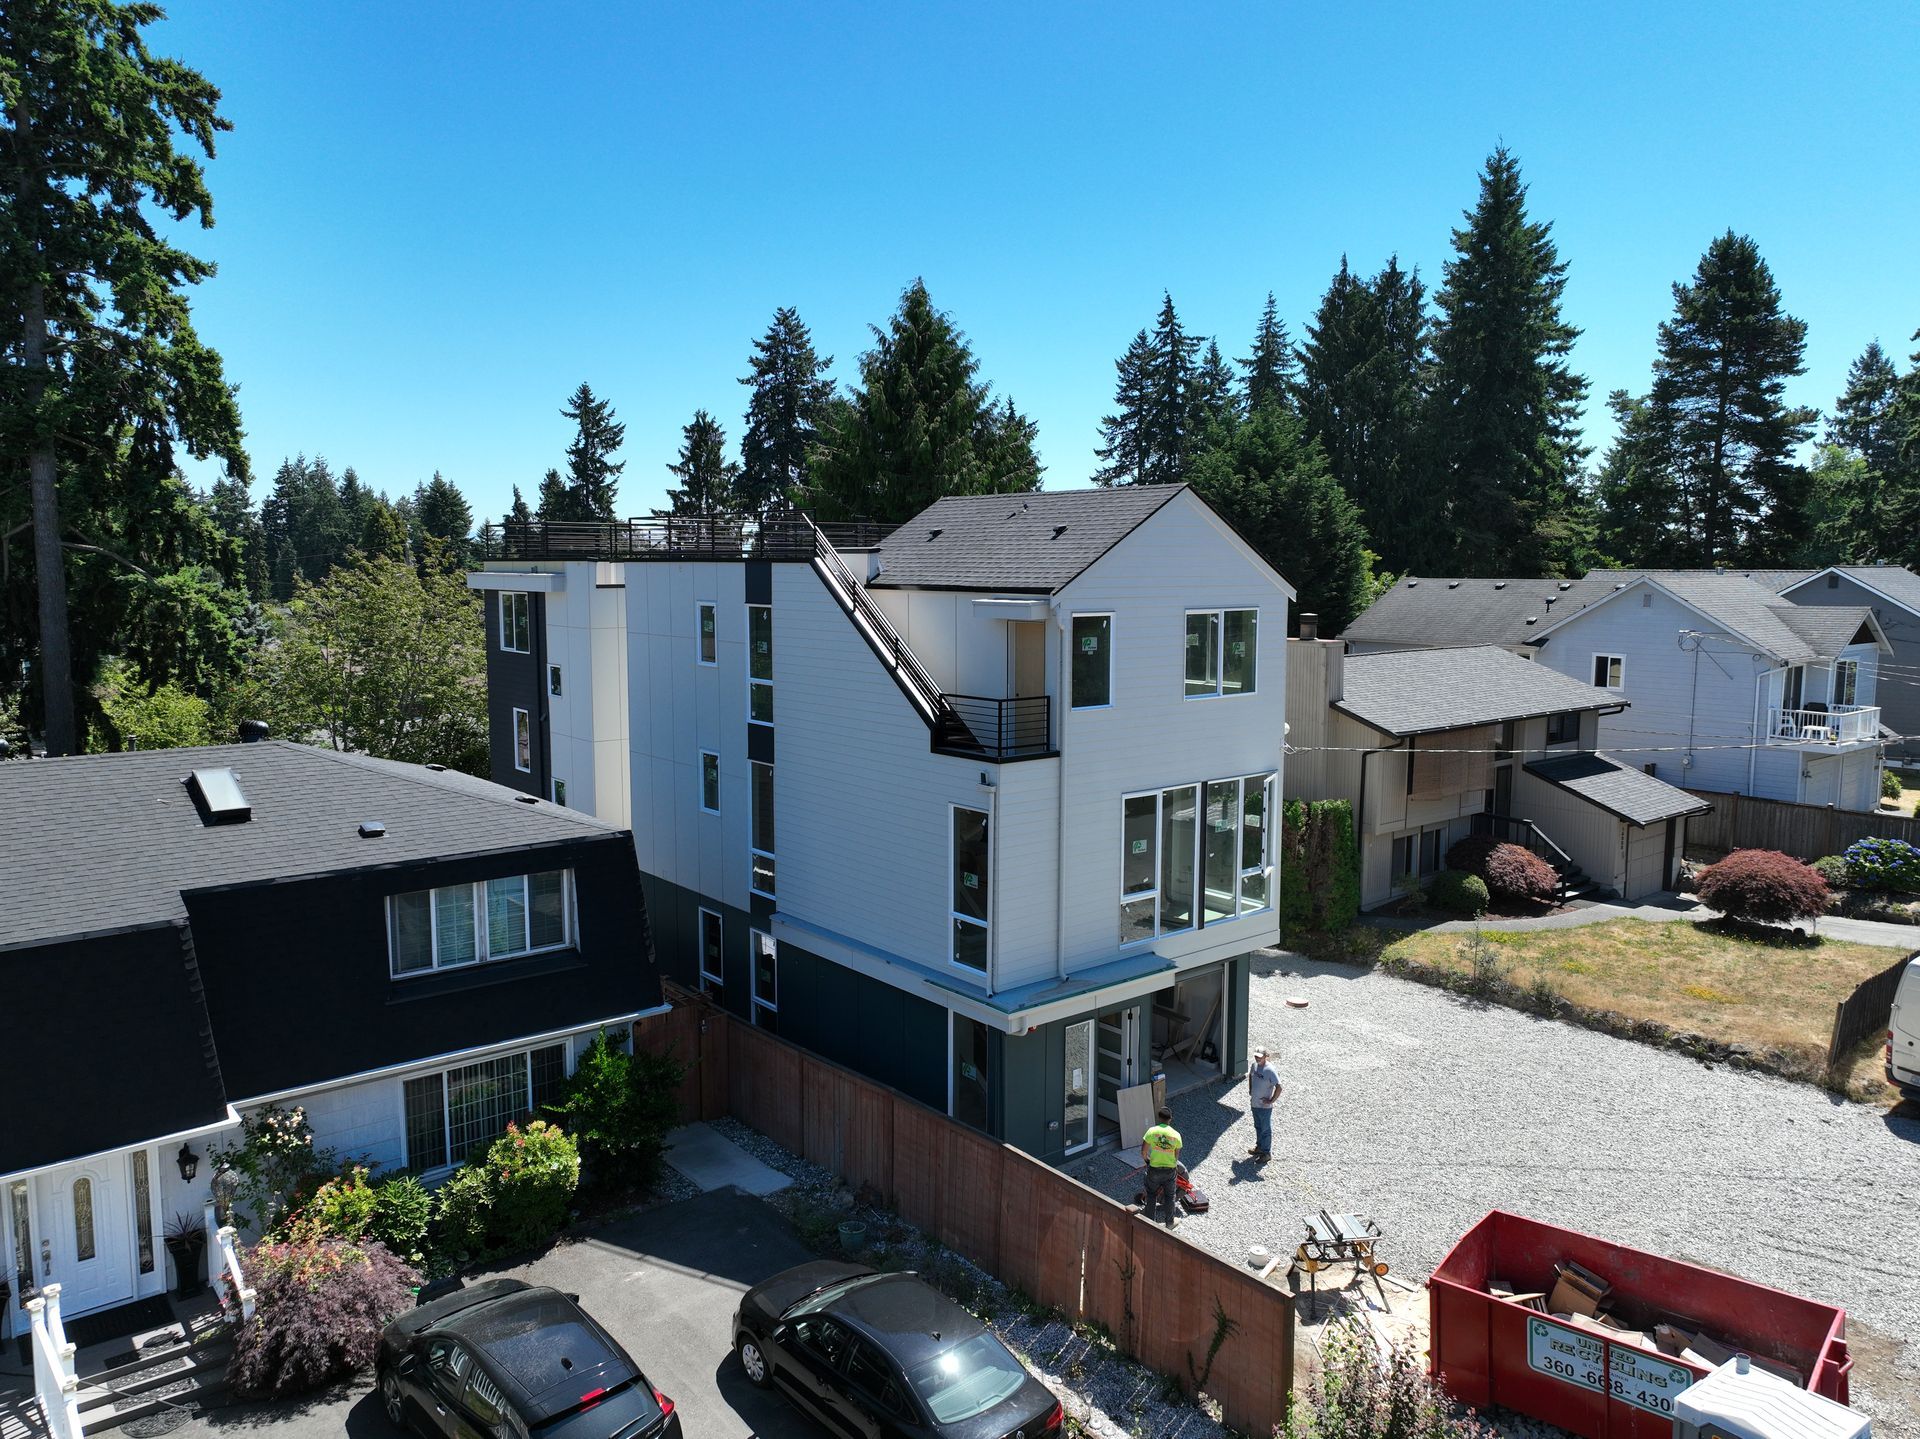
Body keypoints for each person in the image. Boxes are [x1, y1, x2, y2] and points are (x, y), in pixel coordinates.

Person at [1139, 1106, 1182, 1227]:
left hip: (1154, 1169)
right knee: (1169, 1196)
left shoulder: (1152, 1131)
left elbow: (1143, 1152)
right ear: (1170, 1119)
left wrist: (1147, 1161)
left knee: (1151, 1194)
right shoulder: (1176, 1135)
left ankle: (1149, 1223)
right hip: (1170, 1171)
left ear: (1159, 1117)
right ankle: (1169, 1223)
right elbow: (1176, 1156)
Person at [1247, 1047, 1281, 1161]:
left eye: (1259, 1057)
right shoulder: (1254, 1066)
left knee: (1265, 1130)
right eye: (1256, 1056)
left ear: (1265, 1056)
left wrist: (1271, 1101)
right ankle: (1260, 1147)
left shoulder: (1270, 1070)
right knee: (1258, 1126)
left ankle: (1266, 1153)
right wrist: (1251, 1089)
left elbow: (1279, 1087)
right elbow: (1251, 1077)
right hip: (1255, 1104)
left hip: (1264, 1107)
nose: (1257, 1058)